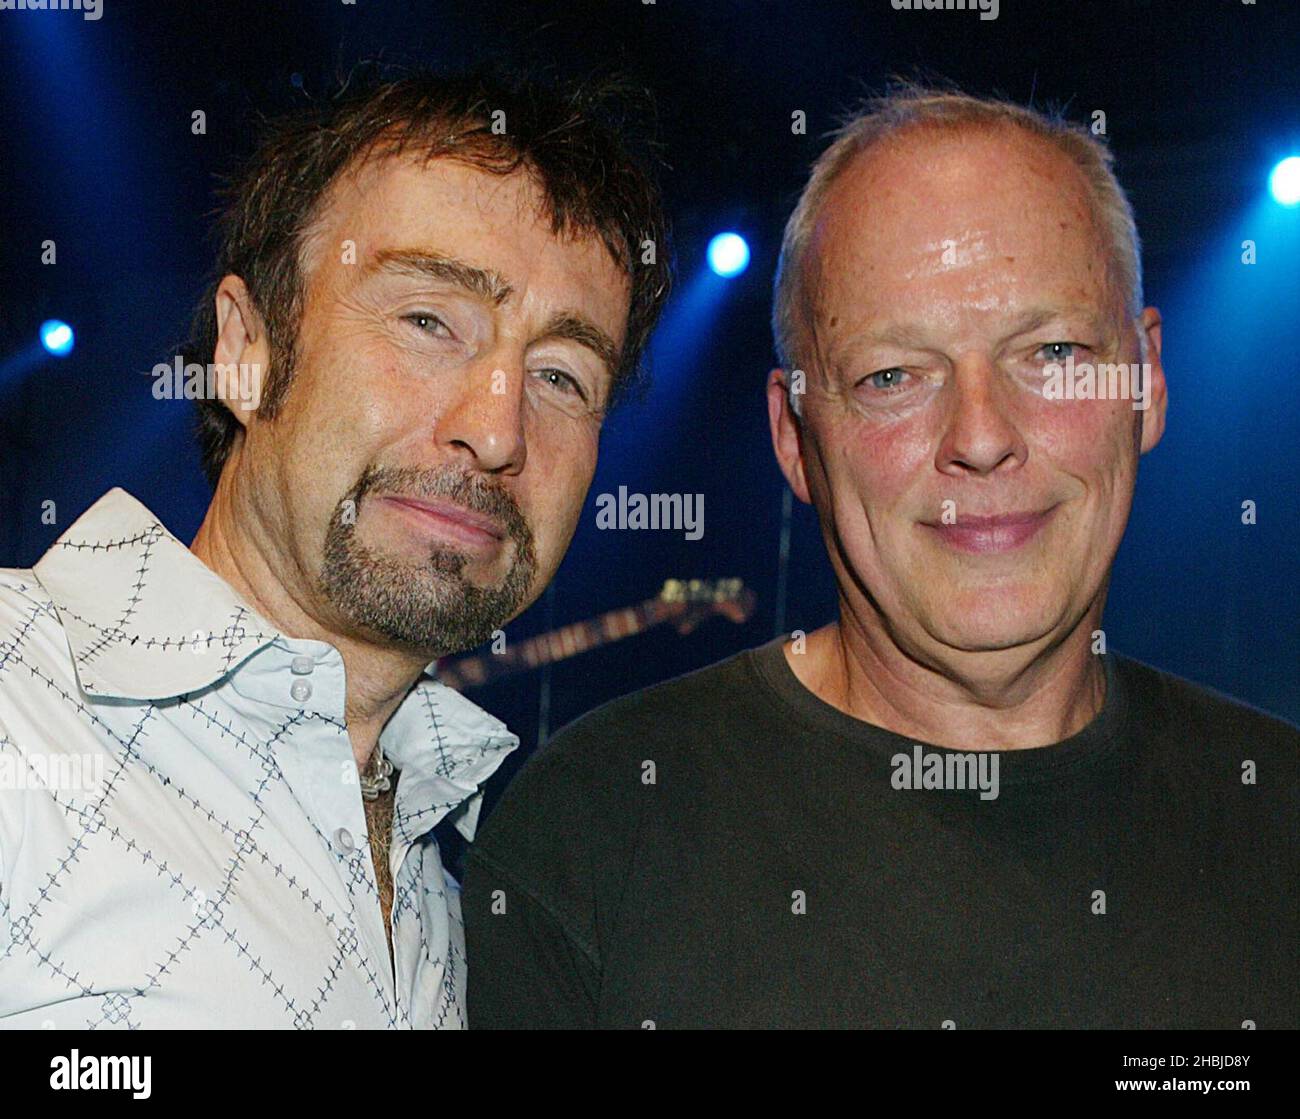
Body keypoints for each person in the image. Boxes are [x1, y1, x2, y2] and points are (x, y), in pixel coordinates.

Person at [463, 84, 1298, 1029]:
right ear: (793, 436)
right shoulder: (595, 836)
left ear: (1144, 381)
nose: (981, 436)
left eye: (1054, 351)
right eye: (892, 375)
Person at [0, 68, 669, 1028]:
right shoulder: (20, 705)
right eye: (428, 320)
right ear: (247, 347)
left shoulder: (447, 860)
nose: (499, 429)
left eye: (563, 375)